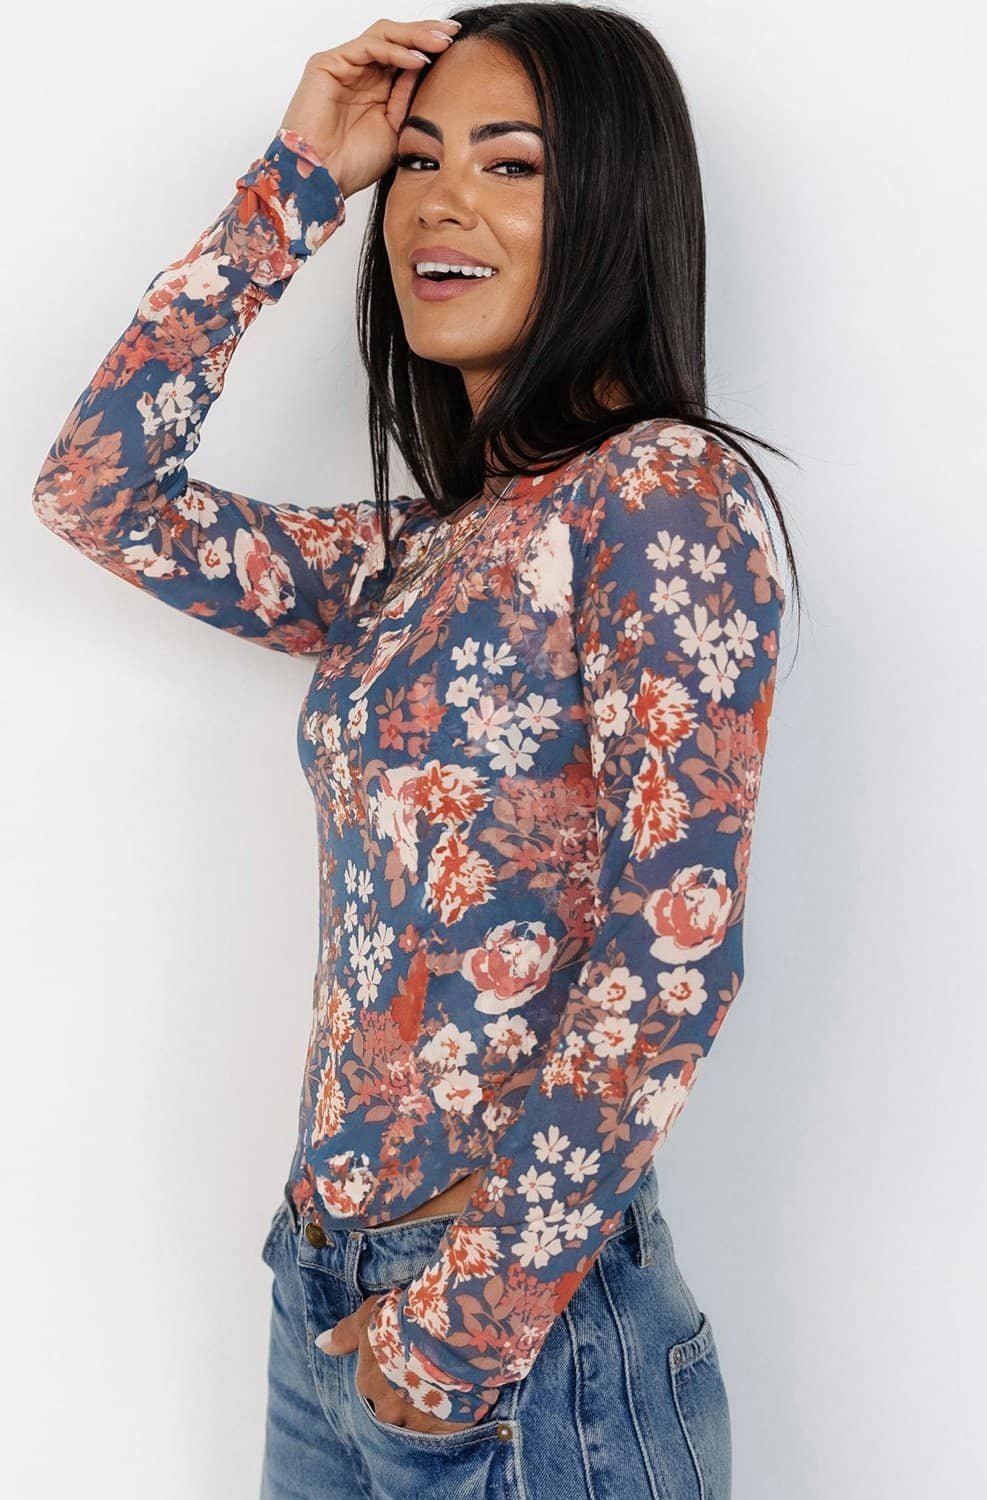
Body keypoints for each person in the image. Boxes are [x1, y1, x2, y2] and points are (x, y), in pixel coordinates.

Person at [32, 6, 798, 1497]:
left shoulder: (657, 494)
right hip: (330, 1289)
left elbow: (675, 948)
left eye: (511, 165)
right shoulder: (417, 557)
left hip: (513, 1338)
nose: (442, 203)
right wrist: (295, 182)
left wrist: (461, 1327)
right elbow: (98, 491)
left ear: (614, 207)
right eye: (421, 163)